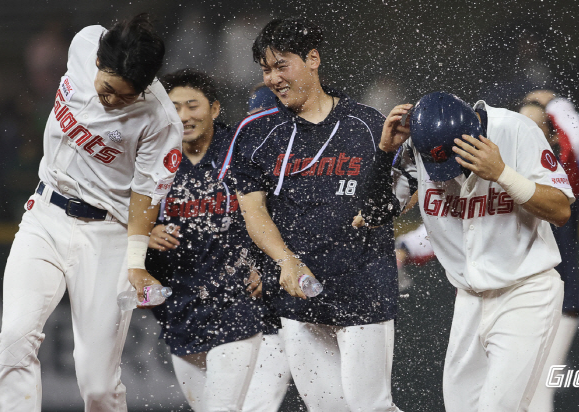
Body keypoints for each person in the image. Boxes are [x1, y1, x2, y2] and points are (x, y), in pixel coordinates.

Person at [0, 14, 183, 412]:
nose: (113, 100)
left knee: (97, 384)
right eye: (110, 88)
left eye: (126, 96)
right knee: (14, 337)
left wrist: (135, 262)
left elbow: (146, 198)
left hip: (106, 234)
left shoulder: (160, 119)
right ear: (97, 61)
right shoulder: (84, 43)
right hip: (45, 214)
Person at [220, 17, 402, 411]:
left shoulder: (368, 124)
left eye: (281, 65)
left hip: (362, 289)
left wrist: (379, 210)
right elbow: (253, 211)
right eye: (266, 69)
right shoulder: (256, 133)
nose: (272, 78)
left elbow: (404, 192)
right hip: (298, 294)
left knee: (370, 406)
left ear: (313, 59)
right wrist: (284, 260)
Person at [357, 91, 574, 411]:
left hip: (526, 291)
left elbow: (560, 209)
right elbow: (375, 215)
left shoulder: (515, 131)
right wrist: (384, 152)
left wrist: (502, 173)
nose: (448, 170)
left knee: (498, 407)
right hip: (469, 297)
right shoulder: (418, 146)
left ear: (473, 132)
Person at [145, 69, 275, 411]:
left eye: (193, 105)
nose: (184, 116)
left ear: (214, 109)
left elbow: (275, 212)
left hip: (237, 303)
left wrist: (266, 263)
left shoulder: (242, 151)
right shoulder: (153, 160)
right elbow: (119, 215)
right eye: (175, 108)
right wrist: (143, 232)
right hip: (180, 308)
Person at [519, 91, 579, 412]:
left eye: (538, 126)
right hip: (517, 298)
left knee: (536, 398)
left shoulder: (562, 172)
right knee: (512, 398)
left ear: (551, 134)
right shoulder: (504, 169)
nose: (528, 132)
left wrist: (557, 104)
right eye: (522, 125)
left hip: (558, 300)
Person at [241, 82, 293, 412]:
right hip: (266, 316)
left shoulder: (322, 161)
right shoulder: (243, 165)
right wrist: (244, 264)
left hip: (319, 304)